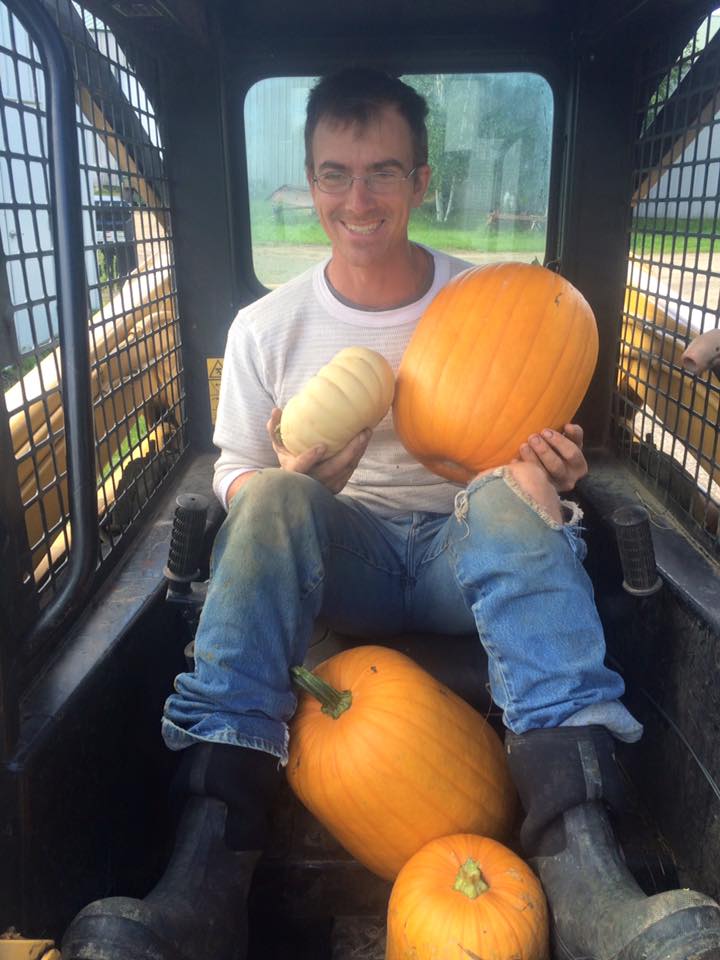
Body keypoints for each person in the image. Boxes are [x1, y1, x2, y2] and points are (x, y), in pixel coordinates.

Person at [62, 67, 720, 960]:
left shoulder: (492, 302)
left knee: (510, 501)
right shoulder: (267, 328)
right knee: (273, 502)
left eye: (382, 171)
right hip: (348, 562)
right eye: (335, 172)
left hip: (467, 546)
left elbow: (526, 444)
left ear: (421, 180)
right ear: (309, 180)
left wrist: (550, 480)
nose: (357, 197)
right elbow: (236, 472)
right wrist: (297, 481)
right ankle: (205, 874)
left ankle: (589, 872)